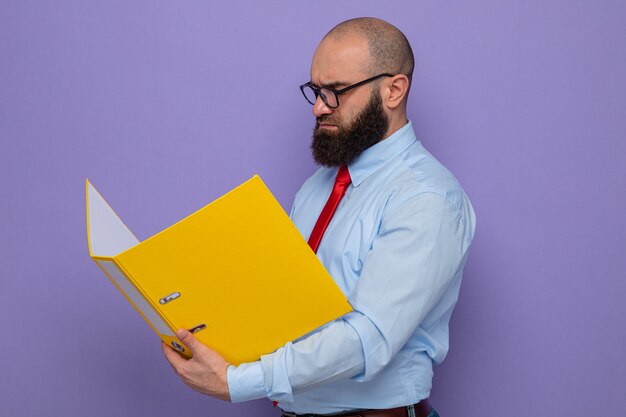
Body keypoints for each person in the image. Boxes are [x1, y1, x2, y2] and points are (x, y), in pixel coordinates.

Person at [163, 17, 476, 417]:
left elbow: (368, 340)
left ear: (394, 90)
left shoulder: (425, 197)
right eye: (315, 90)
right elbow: (290, 305)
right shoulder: (317, 187)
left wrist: (235, 381)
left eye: (336, 92)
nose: (318, 106)